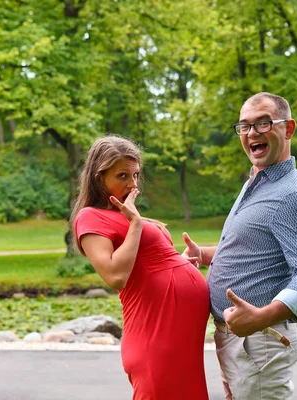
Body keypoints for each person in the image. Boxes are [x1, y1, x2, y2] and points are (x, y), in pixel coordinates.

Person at [182, 92, 297, 400]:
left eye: (263, 123)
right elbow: (254, 247)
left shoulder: (293, 195)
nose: (252, 133)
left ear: (288, 129)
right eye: (245, 126)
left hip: (260, 341)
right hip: (236, 341)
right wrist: (206, 255)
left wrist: (262, 316)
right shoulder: (257, 181)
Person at [71, 136, 210, 400]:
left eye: (135, 175)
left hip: (180, 337)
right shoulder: (90, 217)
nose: (133, 184)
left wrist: (179, 263)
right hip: (154, 334)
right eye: (122, 175)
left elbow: (147, 261)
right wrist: (135, 224)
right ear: (98, 177)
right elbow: (115, 275)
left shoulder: (125, 214)